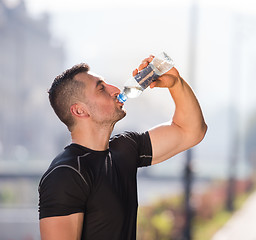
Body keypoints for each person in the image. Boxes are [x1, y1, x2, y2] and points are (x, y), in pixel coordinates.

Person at [38, 56, 207, 240]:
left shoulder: (125, 149)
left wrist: (176, 84)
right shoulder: (66, 173)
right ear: (79, 110)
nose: (116, 90)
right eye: (101, 88)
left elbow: (191, 131)